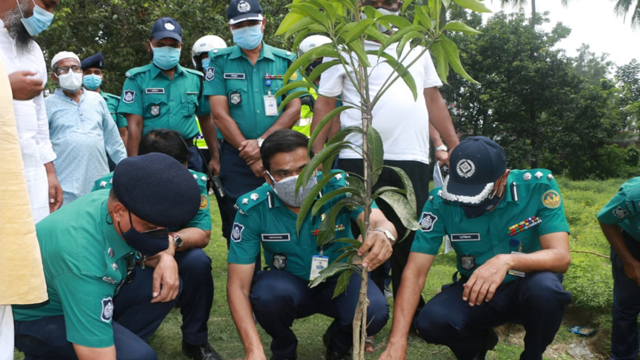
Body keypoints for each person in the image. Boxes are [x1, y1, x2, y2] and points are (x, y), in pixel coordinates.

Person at [311, 0, 460, 313]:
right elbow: (324, 105)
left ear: (402, 5)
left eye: (388, 2)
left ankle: (412, 311)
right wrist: (317, 155)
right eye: (372, 3)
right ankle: (368, 310)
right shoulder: (342, 49)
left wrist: (452, 145)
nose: (380, 8)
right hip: (359, 156)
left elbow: (433, 99)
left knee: (409, 236)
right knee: (365, 234)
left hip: (413, 157)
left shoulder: (418, 48)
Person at [379, 136, 573, 360]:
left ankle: (532, 355)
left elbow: (560, 256)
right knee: (432, 322)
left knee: (546, 290)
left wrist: (506, 260)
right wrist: (397, 342)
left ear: (503, 178)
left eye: (478, 192)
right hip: (475, 289)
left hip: (526, 286)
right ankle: (476, 347)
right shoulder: (440, 202)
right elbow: (415, 272)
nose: (468, 203)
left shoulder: (539, 186)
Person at [227, 129, 395, 360]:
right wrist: (252, 349)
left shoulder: (338, 186)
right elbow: (238, 286)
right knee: (267, 297)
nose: (297, 179)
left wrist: (383, 233)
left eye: (303, 169)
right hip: (288, 283)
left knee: (374, 310)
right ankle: (283, 347)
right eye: (284, 173)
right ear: (268, 177)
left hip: (339, 278)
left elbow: (377, 219)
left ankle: (338, 345)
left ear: (316, 166)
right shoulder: (253, 208)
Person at [13, 153, 201, 359]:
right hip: (39, 317)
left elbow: (146, 242)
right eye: (150, 226)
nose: (158, 234)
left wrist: (166, 257)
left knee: (164, 286)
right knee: (138, 357)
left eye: (164, 227)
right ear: (119, 211)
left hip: (81, 288)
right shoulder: (82, 257)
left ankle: (102, 336)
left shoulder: (117, 202)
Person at [92, 129, 224, 360]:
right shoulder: (110, 185)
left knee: (197, 262)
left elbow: (201, 233)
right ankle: (117, 331)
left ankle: (195, 341)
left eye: (179, 168)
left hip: (169, 252)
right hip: (124, 256)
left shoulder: (193, 182)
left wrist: (170, 243)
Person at [204, 0, 302, 245]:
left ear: (263, 23)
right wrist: (250, 154)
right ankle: (243, 281)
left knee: (286, 215)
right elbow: (219, 114)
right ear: (230, 28)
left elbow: (294, 109)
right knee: (239, 217)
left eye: (252, 23)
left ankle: (281, 276)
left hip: (280, 155)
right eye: (240, 25)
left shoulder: (286, 60)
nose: (247, 28)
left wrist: (260, 144)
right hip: (237, 157)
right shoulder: (219, 61)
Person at [118, 17, 218, 175]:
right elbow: (134, 125)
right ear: (149, 45)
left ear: (181, 46)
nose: (167, 49)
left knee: (192, 197)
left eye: (173, 45)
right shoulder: (137, 79)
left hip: (188, 155)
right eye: (160, 45)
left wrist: (215, 157)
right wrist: (133, 162)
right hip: (151, 155)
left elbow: (206, 119)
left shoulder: (195, 79)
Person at [0, 56, 47, 360]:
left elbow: (38, 125)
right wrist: (6, 87)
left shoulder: (27, 46)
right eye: (42, 4)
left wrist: (48, 168)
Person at [0, 0, 63, 220]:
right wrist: (5, 88)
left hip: (31, 170)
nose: (49, 14)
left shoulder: (33, 50)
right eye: (47, 4)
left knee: (32, 241)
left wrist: (49, 170)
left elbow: (39, 114)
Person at [46, 51, 127, 205]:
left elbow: (113, 139)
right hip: (65, 184)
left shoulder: (97, 100)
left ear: (81, 72)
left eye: (75, 68)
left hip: (99, 182)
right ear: (54, 77)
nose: (71, 73)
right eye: (63, 69)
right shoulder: (47, 105)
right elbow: (41, 146)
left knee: (97, 220)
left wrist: (126, 169)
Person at [597, 177, 640, 360]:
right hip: (632, 246)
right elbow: (606, 220)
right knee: (627, 308)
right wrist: (630, 263)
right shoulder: (634, 196)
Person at [81, 52, 128, 147]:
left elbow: (123, 133)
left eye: (97, 72)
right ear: (81, 76)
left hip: (111, 154)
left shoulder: (115, 101)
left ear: (102, 77)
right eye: (88, 73)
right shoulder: (74, 102)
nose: (93, 76)